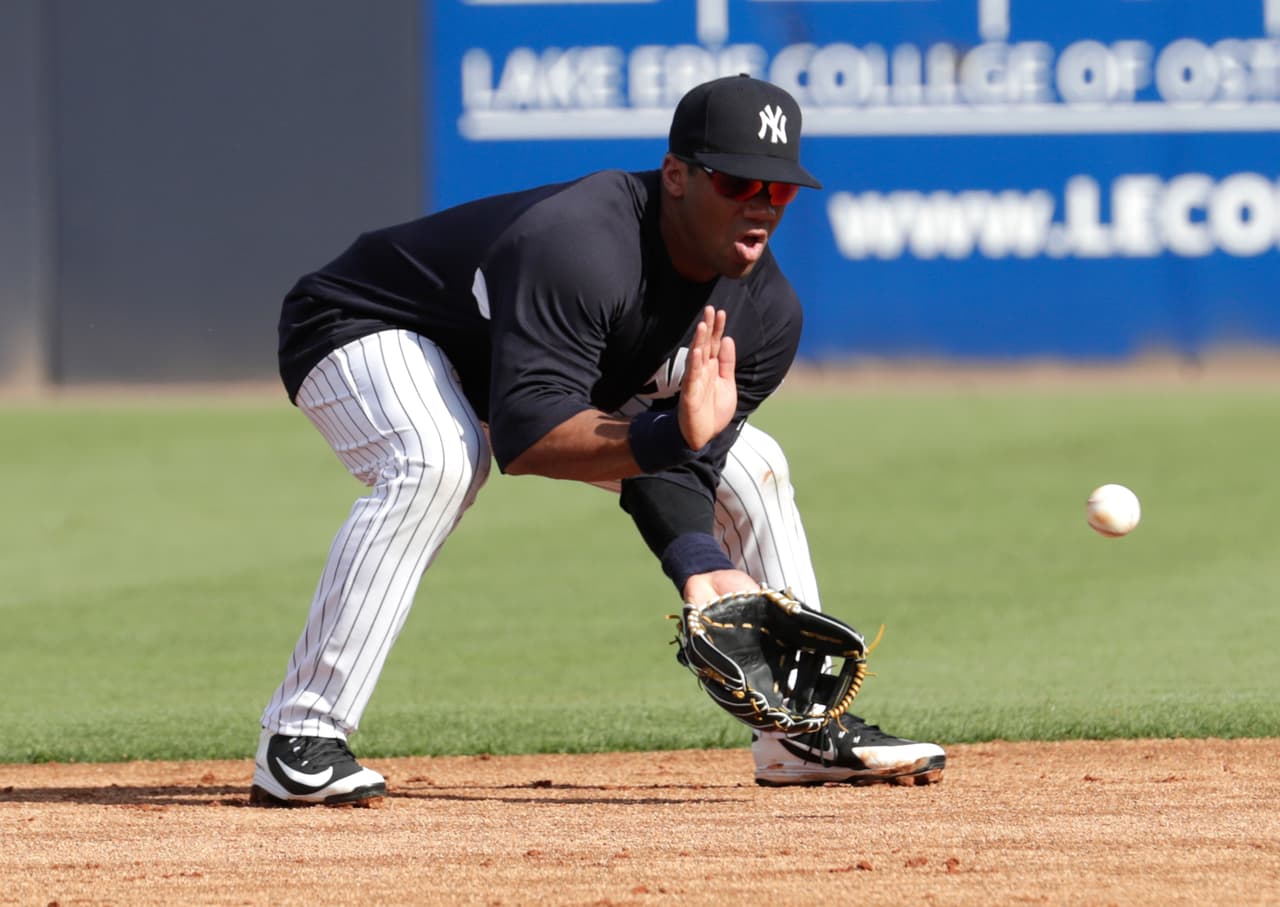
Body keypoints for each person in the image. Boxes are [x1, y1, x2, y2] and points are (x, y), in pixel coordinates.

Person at [250, 74, 945, 807]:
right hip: (363, 324)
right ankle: (300, 733)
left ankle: (798, 729)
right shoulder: (581, 243)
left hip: (503, 374)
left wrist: (700, 565)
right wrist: (671, 433)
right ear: (675, 176)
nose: (761, 205)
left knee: (752, 464)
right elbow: (528, 436)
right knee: (440, 460)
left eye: (780, 190)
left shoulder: (766, 315)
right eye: (739, 182)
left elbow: (688, 462)